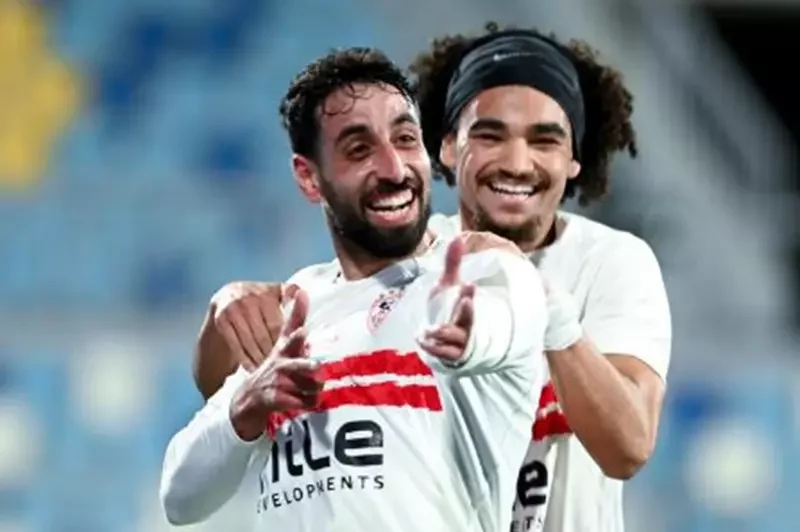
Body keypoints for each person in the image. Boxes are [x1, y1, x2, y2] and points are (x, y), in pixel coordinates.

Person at [160, 47, 550, 532]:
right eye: (359, 149)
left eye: (405, 139)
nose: (394, 169)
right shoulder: (297, 311)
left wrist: (467, 337)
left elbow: (504, 325)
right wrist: (247, 405)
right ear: (309, 178)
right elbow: (180, 499)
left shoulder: (479, 271)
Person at [409, 23, 672, 532]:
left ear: (573, 160)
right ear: (447, 147)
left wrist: (542, 305)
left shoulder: (612, 262)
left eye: (544, 140)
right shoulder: (407, 263)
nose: (517, 163)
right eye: (490, 136)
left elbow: (628, 446)